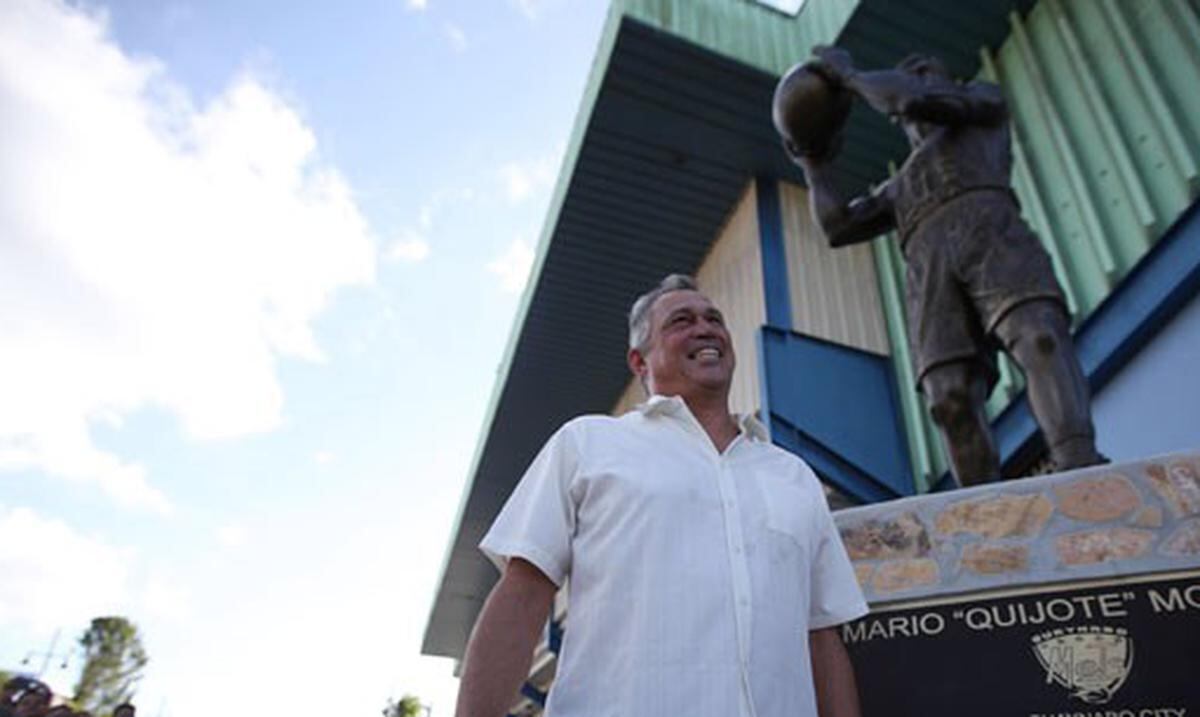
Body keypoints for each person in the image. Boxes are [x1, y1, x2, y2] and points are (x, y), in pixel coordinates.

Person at [455, 274, 868, 717]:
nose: (705, 328)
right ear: (639, 361)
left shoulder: (794, 477)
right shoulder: (587, 445)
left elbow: (820, 635)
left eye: (714, 318)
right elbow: (522, 596)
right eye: (681, 321)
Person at [786, 47, 1103, 485]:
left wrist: (852, 74)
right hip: (930, 270)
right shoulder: (899, 186)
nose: (913, 77)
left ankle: (1079, 466)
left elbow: (909, 99)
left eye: (924, 69)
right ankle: (983, 513)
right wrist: (814, 163)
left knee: (1040, 337)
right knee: (948, 397)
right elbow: (837, 226)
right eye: (907, 71)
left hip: (992, 237)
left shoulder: (980, 106)